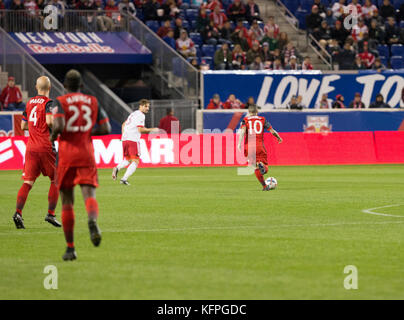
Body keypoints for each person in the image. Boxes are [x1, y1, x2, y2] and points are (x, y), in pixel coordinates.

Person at [50, 69, 111, 261]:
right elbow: (106, 128)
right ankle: (92, 221)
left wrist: (52, 138)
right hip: (86, 154)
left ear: (65, 86)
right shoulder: (93, 101)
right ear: (82, 86)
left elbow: (58, 126)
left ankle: (70, 249)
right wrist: (87, 134)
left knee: (67, 201)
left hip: (67, 156)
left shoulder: (60, 101)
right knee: (89, 195)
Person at [12, 76, 61, 230]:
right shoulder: (49, 103)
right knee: (57, 179)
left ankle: (18, 213)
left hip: (31, 147)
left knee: (28, 182)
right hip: (46, 147)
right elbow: (49, 121)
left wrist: (35, 126)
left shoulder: (29, 103)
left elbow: (23, 125)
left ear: (36, 87)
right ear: (50, 87)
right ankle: (50, 214)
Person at [112, 99, 158, 186]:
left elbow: (123, 124)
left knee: (128, 160)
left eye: (148, 107)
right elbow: (140, 130)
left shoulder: (133, 114)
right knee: (136, 161)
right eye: (145, 106)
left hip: (125, 139)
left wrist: (123, 136)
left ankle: (117, 168)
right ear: (140, 106)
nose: (147, 108)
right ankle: (124, 179)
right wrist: (152, 130)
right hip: (133, 140)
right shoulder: (141, 115)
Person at [237, 104, 282, 191]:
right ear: (257, 111)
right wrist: (278, 137)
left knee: (255, 167)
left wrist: (239, 144)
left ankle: (264, 186)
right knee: (265, 167)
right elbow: (272, 131)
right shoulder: (262, 119)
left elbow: (242, 132)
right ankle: (263, 168)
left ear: (249, 112)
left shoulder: (245, 120)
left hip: (249, 147)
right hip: (259, 145)